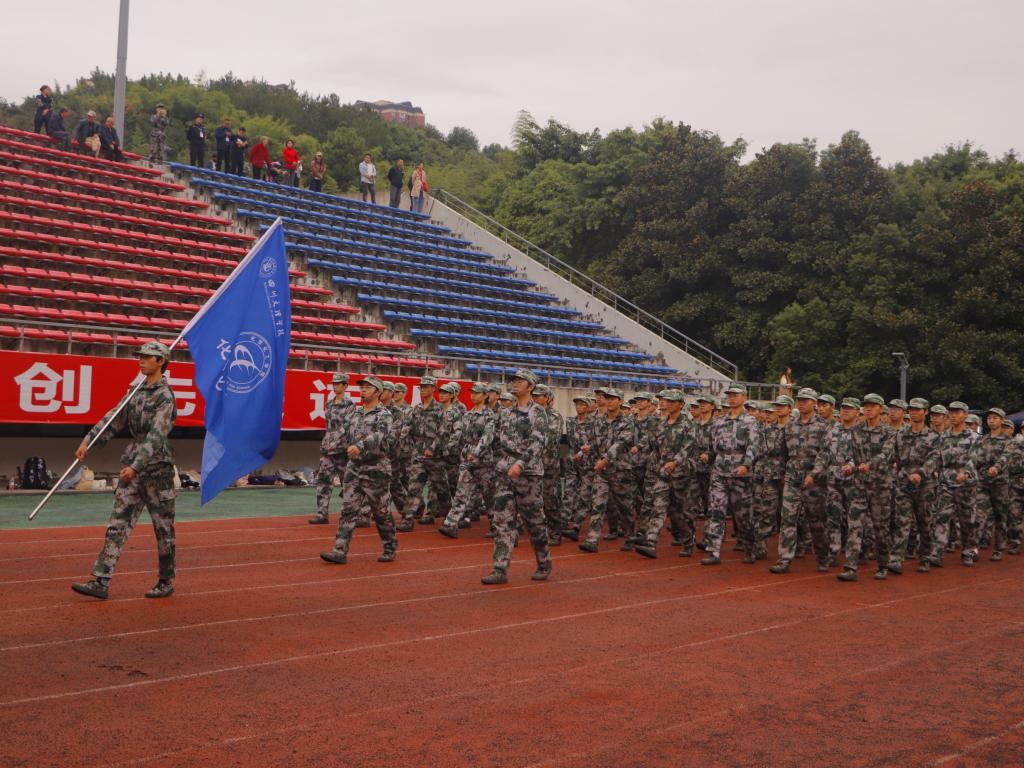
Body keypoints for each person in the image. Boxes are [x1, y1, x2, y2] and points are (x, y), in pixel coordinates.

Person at [70, 341, 178, 600]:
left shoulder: (165, 397)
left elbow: (156, 436)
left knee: (163, 528)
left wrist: (136, 466)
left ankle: (165, 580)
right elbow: (113, 418)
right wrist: (89, 441)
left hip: (157, 470)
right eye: (140, 356)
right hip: (132, 466)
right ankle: (101, 580)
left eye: (147, 357)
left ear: (161, 362)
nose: (141, 360)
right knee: (117, 522)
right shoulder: (135, 391)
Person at [474, 369, 552, 585]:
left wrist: (520, 463)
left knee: (534, 523)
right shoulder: (505, 413)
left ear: (531, 386)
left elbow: (539, 441)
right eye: (514, 380)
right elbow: (491, 435)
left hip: (528, 475)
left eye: (520, 381)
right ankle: (499, 568)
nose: (515, 383)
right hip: (504, 473)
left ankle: (544, 562)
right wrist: (478, 452)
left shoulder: (537, 412)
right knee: (502, 521)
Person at [320, 377, 398, 564]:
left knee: (380, 512)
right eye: (362, 387)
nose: (363, 390)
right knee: (348, 510)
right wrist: (329, 445)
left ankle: (389, 546)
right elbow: (342, 432)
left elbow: (380, 435)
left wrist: (360, 446)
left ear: (378, 392)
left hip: (376, 468)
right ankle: (339, 551)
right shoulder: (355, 413)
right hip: (354, 467)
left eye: (368, 387)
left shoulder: (384, 415)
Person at [310, 373, 355, 525]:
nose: (335, 386)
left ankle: (350, 514)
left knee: (347, 483)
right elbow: (328, 426)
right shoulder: (329, 403)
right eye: (334, 383)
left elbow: (347, 427)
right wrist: (327, 442)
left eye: (338, 383)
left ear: (345, 385)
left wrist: (335, 441)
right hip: (327, 450)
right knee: (323, 481)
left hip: (342, 450)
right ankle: (322, 514)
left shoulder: (350, 405)